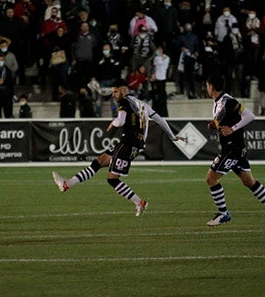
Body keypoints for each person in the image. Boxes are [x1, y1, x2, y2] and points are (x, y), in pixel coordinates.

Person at [51, 77, 185, 216]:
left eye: (115, 92)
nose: (113, 95)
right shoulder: (142, 104)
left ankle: (139, 202)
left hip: (128, 143)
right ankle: (67, 184)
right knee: (99, 161)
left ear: (122, 90)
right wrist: (172, 136)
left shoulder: (124, 101)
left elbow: (120, 121)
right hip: (132, 143)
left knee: (112, 179)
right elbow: (160, 120)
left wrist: (113, 123)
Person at [203, 73, 265, 228]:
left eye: (207, 86)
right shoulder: (218, 102)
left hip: (232, 149)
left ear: (212, 87)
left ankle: (223, 213)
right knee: (248, 181)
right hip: (235, 149)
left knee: (211, 178)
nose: (207, 88)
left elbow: (250, 116)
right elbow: (223, 120)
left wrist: (233, 129)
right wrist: (215, 125)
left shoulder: (229, 101)